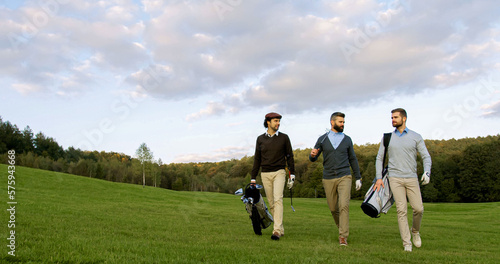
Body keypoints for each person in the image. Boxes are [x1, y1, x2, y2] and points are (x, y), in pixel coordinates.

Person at [373, 108, 431, 252]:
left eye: (396, 117)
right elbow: (379, 158)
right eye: (392, 117)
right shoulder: (387, 138)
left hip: (412, 178)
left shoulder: (415, 136)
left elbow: (426, 156)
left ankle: (415, 231)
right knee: (401, 210)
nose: (393, 120)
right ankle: (407, 244)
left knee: (418, 208)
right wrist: (379, 178)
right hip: (395, 178)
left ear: (404, 119)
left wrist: (427, 172)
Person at [309, 112, 362, 246]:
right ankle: (342, 227)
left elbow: (353, 159)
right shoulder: (323, 139)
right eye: (340, 122)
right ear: (332, 123)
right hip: (328, 177)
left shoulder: (347, 139)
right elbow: (313, 158)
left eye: (343, 122)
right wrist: (312, 155)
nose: (343, 124)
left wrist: (358, 177)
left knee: (343, 205)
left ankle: (343, 236)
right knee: (333, 208)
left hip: (344, 175)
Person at [251, 112, 296, 240]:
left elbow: (290, 156)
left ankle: (276, 231)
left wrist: (292, 174)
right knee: (271, 203)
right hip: (265, 173)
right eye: (275, 121)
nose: (278, 123)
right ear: (268, 122)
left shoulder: (284, 138)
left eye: (279, 121)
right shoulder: (260, 139)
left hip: (279, 172)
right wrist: (253, 177)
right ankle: (280, 228)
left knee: (278, 199)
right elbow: (257, 159)